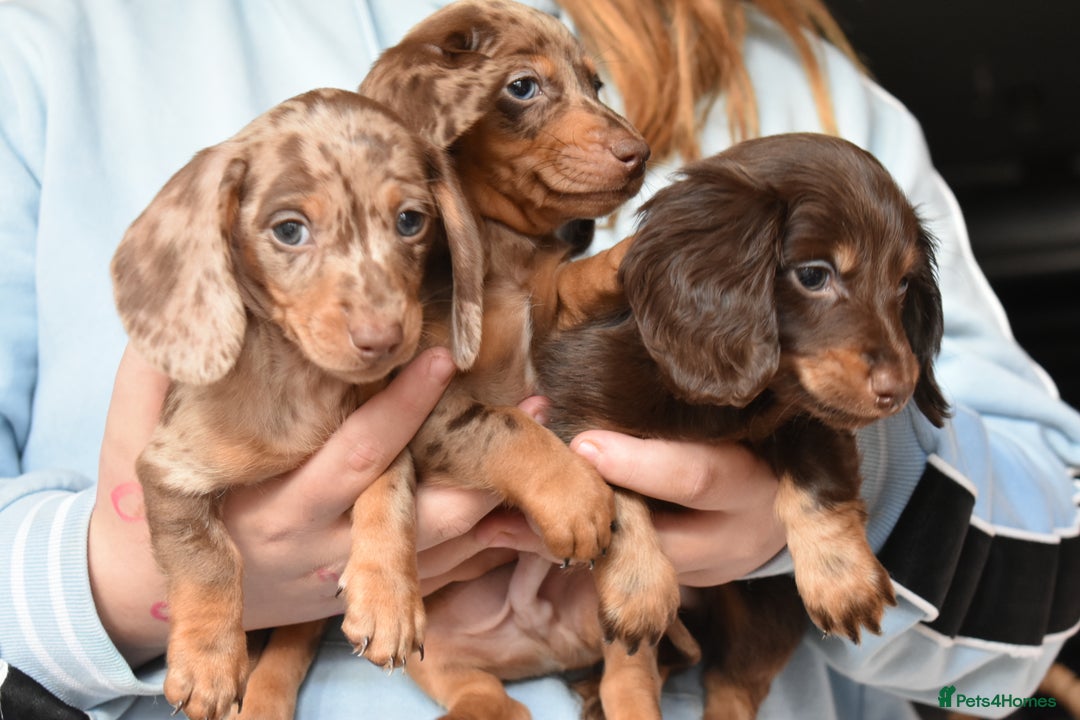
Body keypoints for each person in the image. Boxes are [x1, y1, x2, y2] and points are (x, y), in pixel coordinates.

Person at [1, 0, 1078, 718]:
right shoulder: (56, 47)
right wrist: (114, 584)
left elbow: (1052, 564)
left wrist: (842, 487)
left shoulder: (794, 90)